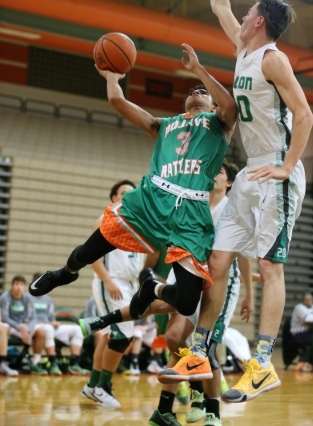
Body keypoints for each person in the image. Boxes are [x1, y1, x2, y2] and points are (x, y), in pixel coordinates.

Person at [160, 0, 313, 403]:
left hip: (276, 172)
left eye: (250, 11)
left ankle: (263, 364)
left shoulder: (273, 59)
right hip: (250, 172)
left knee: (270, 266)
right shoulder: (245, 50)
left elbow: (305, 116)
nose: (242, 14)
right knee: (219, 261)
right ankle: (201, 351)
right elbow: (220, 5)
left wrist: (287, 168)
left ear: (260, 21)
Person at [28, 44, 237, 357]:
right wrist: (113, 76)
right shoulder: (164, 125)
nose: (197, 91)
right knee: (88, 251)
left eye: (203, 91)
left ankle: (151, 288)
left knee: (187, 301)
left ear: (210, 103)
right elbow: (117, 100)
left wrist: (198, 71)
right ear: (184, 104)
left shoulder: (219, 125)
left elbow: (231, 107)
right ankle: (65, 273)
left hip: (192, 212)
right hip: (152, 199)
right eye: (192, 90)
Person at [80, 161, 254, 426]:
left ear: (230, 182)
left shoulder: (233, 210)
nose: (213, 175)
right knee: (174, 338)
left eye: (219, 172)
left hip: (221, 283)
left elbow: (243, 257)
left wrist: (249, 293)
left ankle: (209, 410)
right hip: (189, 273)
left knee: (205, 346)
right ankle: (169, 407)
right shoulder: (194, 203)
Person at [81, 179, 145, 408]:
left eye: (132, 193)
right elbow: (89, 254)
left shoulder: (138, 223)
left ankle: (92, 385)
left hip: (128, 285)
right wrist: (107, 280)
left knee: (110, 335)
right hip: (111, 282)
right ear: (114, 198)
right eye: (123, 193)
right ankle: (103, 387)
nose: (128, 196)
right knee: (123, 336)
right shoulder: (106, 218)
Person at [31, 273, 89, 375]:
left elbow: (51, 317)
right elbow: (28, 317)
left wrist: (54, 322)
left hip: (48, 325)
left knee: (78, 329)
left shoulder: (48, 299)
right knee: (48, 328)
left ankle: (73, 364)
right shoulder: (28, 298)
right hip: (35, 326)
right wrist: (48, 323)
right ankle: (53, 363)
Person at [0, 275, 48, 374]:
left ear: (24, 287)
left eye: (21, 284)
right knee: (3, 328)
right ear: (12, 285)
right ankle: (3, 363)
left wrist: (28, 329)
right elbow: (5, 318)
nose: (19, 287)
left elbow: (34, 317)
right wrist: (20, 327)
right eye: (16, 284)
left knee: (40, 331)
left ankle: (36, 362)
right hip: (11, 326)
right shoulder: (5, 297)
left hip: (24, 327)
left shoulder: (27, 298)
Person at [290, 291, 313, 372]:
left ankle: (312, 363)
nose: (308, 301)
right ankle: (302, 362)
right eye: (306, 300)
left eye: (310, 299)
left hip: (309, 333)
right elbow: (308, 319)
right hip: (299, 334)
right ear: (303, 301)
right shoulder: (299, 307)